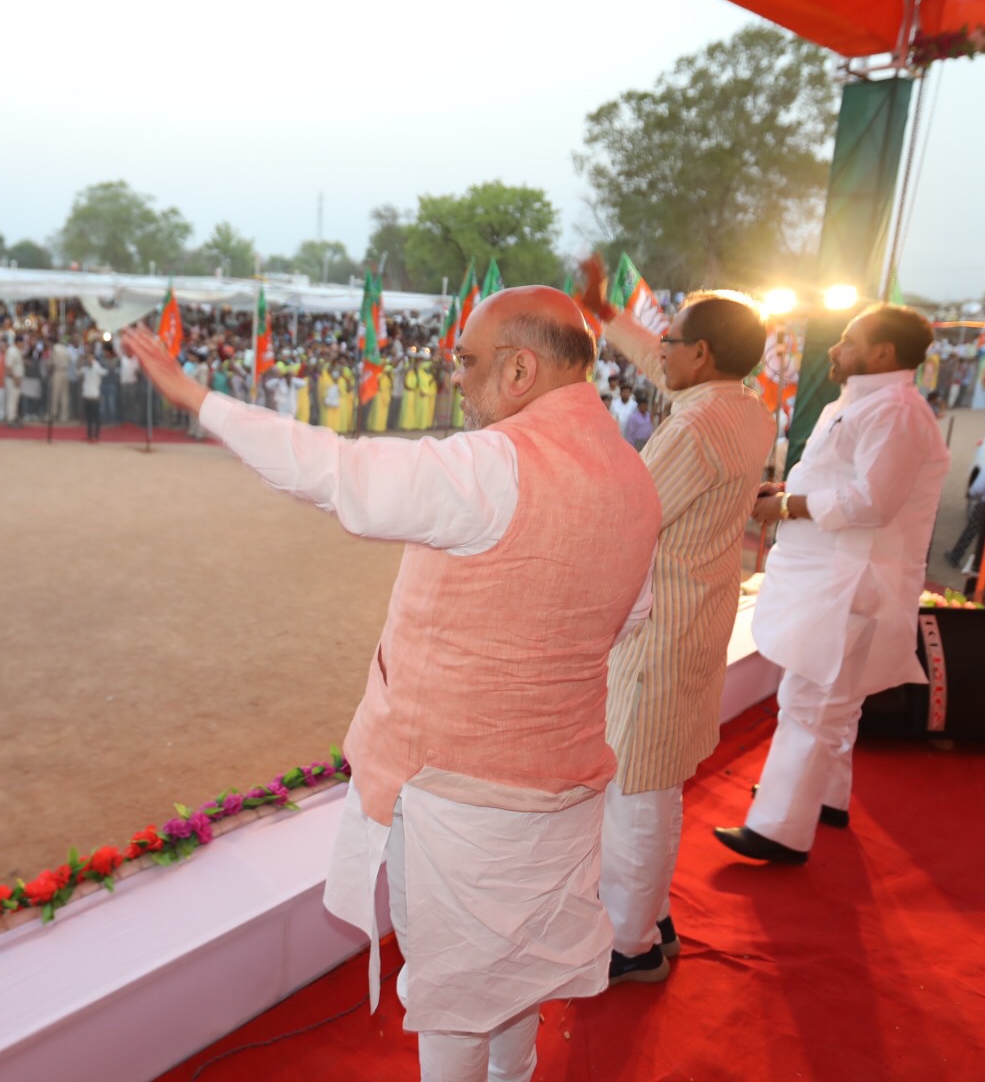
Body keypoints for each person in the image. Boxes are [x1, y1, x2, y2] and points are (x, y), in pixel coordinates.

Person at [121, 286, 661, 1082]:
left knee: (455, 995)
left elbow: (337, 472)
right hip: (562, 783)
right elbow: (630, 617)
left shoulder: (495, 464)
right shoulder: (630, 471)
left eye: (470, 363)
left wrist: (198, 398)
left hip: (461, 794)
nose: (459, 381)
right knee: (517, 981)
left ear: (521, 368)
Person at [581, 271, 776, 982]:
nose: (658, 349)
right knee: (656, 781)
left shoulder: (694, 427)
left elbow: (630, 515)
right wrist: (605, 314)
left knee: (635, 784)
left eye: (670, 340)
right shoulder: (747, 407)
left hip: (660, 625)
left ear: (700, 356)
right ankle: (651, 912)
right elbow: (661, 367)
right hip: (695, 614)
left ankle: (629, 944)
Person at [717, 304, 950, 865]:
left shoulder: (896, 410)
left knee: (812, 699)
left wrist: (788, 506)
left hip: (855, 580)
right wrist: (788, 491)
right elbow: (844, 480)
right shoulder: (867, 401)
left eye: (848, 341)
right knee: (836, 703)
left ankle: (779, 830)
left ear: (882, 354)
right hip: (842, 574)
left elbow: (872, 502)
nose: (834, 350)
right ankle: (824, 799)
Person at [79, 348, 103, 442]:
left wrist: (94, 365)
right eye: (88, 359)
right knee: (88, 418)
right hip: (87, 395)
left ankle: (96, 435)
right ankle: (89, 435)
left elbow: (103, 372)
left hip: (95, 396)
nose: (89, 360)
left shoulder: (97, 368)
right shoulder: (85, 369)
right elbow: (79, 372)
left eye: (91, 359)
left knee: (96, 417)